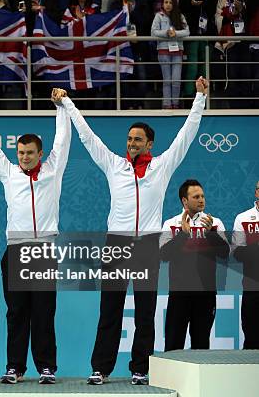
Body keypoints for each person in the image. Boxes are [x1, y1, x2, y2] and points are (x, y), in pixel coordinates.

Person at [53, 76, 208, 386]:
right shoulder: (114, 165)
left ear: (149, 144)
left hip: (148, 244)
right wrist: (67, 102)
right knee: (109, 308)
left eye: (138, 139)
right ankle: (101, 368)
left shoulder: (162, 166)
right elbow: (87, 136)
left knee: (145, 312)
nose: (131, 143)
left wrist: (200, 99)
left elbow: (186, 136)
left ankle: (140, 368)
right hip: (117, 243)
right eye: (129, 139)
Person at [0, 89, 71, 384]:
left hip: (43, 250)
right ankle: (15, 367)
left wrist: (61, 107)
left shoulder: (53, 170)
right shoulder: (9, 173)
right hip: (16, 250)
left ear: (40, 153)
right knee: (17, 313)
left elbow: (63, 139)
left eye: (30, 152)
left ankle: (46, 367)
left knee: (44, 313)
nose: (25, 157)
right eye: (20, 153)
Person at [160, 180, 228, 351]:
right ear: (184, 201)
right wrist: (183, 235)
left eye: (203, 196)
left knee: (201, 344)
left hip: (205, 294)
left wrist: (210, 235)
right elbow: (164, 255)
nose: (201, 200)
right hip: (179, 294)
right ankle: (171, 379)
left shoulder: (214, 223)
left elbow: (225, 254)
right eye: (196, 197)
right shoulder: (171, 223)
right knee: (174, 344)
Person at [232, 181, 259, 349]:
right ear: (256, 193)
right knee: (252, 338)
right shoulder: (243, 218)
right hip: (252, 287)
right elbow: (236, 253)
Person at [151, 0, 190, 109]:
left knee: (176, 80)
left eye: (170, 2)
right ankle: (167, 104)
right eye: (166, 2)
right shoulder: (158, 16)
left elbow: (187, 32)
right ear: (162, 4)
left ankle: (175, 104)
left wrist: (176, 33)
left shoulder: (180, 16)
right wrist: (166, 33)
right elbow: (153, 32)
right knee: (167, 80)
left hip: (177, 51)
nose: (168, 5)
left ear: (174, 4)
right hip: (163, 51)